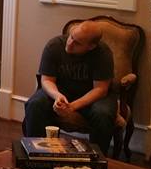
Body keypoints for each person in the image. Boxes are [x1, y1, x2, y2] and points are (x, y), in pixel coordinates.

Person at [23, 21, 116, 154]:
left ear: (91, 47)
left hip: (92, 95)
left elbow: (100, 89)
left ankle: (97, 157)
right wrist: (57, 96)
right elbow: (47, 80)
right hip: (60, 90)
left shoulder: (103, 53)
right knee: (35, 104)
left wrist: (72, 106)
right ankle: (35, 153)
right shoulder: (54, 46)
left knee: (103, 114)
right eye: (71, 37)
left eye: (77, 43)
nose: (70, 43)